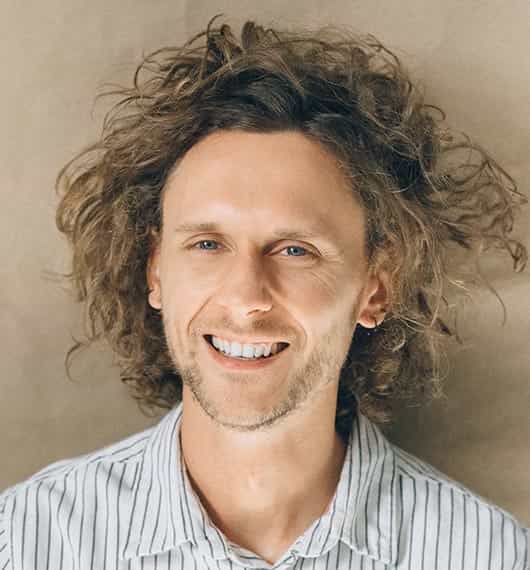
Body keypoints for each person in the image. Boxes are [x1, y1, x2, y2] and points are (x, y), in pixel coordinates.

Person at [1, 14, 528, 570]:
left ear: (376, 286)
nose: (246, 296)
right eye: (207, 244)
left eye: (295, 250)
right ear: (156, 271)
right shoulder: (25, 542)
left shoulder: (493, 556)